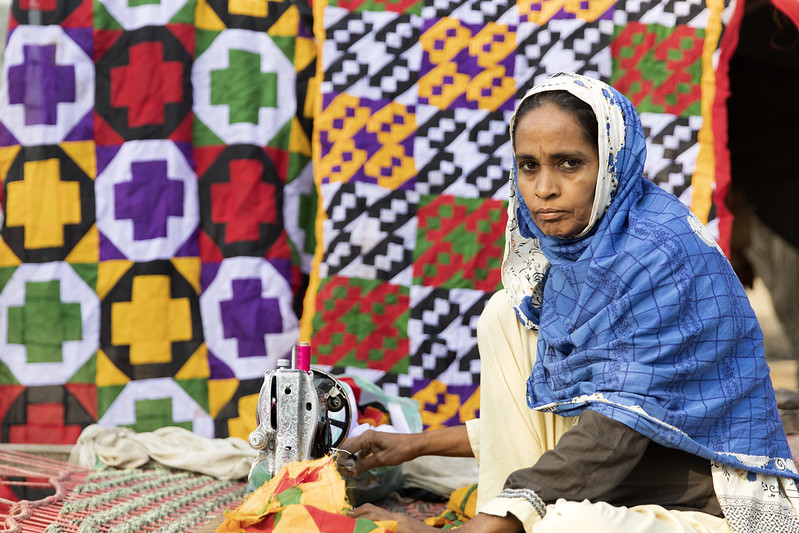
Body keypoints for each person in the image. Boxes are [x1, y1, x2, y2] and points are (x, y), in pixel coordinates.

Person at [340, 73, 799, 533]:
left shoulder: (658, 257)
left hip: (714, 502)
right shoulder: (580, 254)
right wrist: (415, 444)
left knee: (568, 526)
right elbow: (549, 418)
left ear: (612, 163)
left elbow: (616, 430)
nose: (543, 189)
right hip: (625, 480)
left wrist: (481, 526)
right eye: (528, 166)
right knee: (504, 314)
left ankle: (501, 521)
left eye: (568, 163)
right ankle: (504, 515)